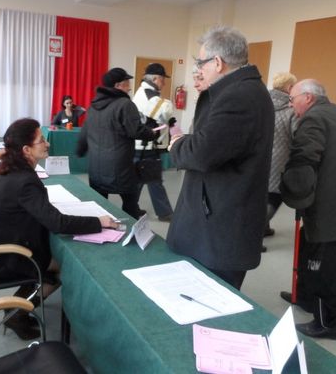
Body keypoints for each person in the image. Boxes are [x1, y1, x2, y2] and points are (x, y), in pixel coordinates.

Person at [0, 118, 117, 340]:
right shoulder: (24, 180)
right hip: (5, 253)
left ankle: (18, 305)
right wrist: (99, 222)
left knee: (55, 259)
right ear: (26, 150)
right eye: (42, 140)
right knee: (65, 268)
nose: (48, 144)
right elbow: (57, 223)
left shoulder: (10, 169)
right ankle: (17, 312)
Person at [166, 26, 274, 290]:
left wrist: (177, 144)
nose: (198, 70)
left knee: (209, 298)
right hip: (215, 219)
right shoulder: (240, 91)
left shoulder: (239, 96)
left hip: (220, 227)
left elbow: (202, 153)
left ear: (217, 62)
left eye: (200, 63)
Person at [279, 79, 336, 340]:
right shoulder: (333, 113)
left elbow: (303, 160)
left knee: (322, 266)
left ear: (308, 97)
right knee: (309, 252)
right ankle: (305, 298)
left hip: (331, 210)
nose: (291, 104)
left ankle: (329, 323)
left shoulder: (314, 118)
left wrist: (292, 191)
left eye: (293, 99)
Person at [77, 67, 156, 219]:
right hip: (119, 167)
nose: (129, 87)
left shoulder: (93, 106)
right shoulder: (125, 104)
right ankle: (132, 223)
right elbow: (136, 130)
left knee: (99, 204)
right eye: (127, 83)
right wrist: (152, 133)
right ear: (118, 85)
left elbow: (85, 132)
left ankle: (101, 226)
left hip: (96, 166)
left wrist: (80, 150)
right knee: (130, 199)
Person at [133, 63, 174, 222]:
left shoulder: (144, 92)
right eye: (163, 79)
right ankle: (164, 213)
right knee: (153, 180)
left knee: (142, 180)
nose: (164, 83)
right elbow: (165, 112)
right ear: (155, 78)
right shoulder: (148, 95)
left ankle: (132, 208)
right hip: (146, 147)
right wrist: (168, 103)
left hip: (143, 146)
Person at [265, 72, 297, 238]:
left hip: (258, 158)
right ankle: (256, 232)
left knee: (261, 195)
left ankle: (264, 228)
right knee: (275, 196)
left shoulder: (261, 104)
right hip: (280, 160)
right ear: (289, 88)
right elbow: (298, 136)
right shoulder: (291, 111)